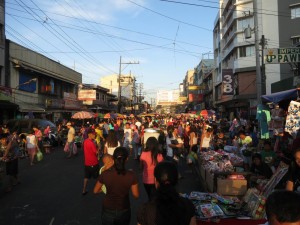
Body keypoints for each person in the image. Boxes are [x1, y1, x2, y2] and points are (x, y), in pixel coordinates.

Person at [93, 147, 139, 225]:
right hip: (124, 208)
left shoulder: (105, 174)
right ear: (127, 159)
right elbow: (136, 195)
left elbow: (95, 191)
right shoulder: (131, 175)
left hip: (108, 209)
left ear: (113, 158)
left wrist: (105, 190)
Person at [82, 128, 99, 195]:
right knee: (97, 177)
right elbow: (96, 152)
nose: (94, 135)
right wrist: (97, 147)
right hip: (94, 162)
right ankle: (98, 188)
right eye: (93, 134)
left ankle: (84, 190)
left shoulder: (85, 141)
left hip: (87, 163)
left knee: (86, 177)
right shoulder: (91, 143)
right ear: (89, 134)